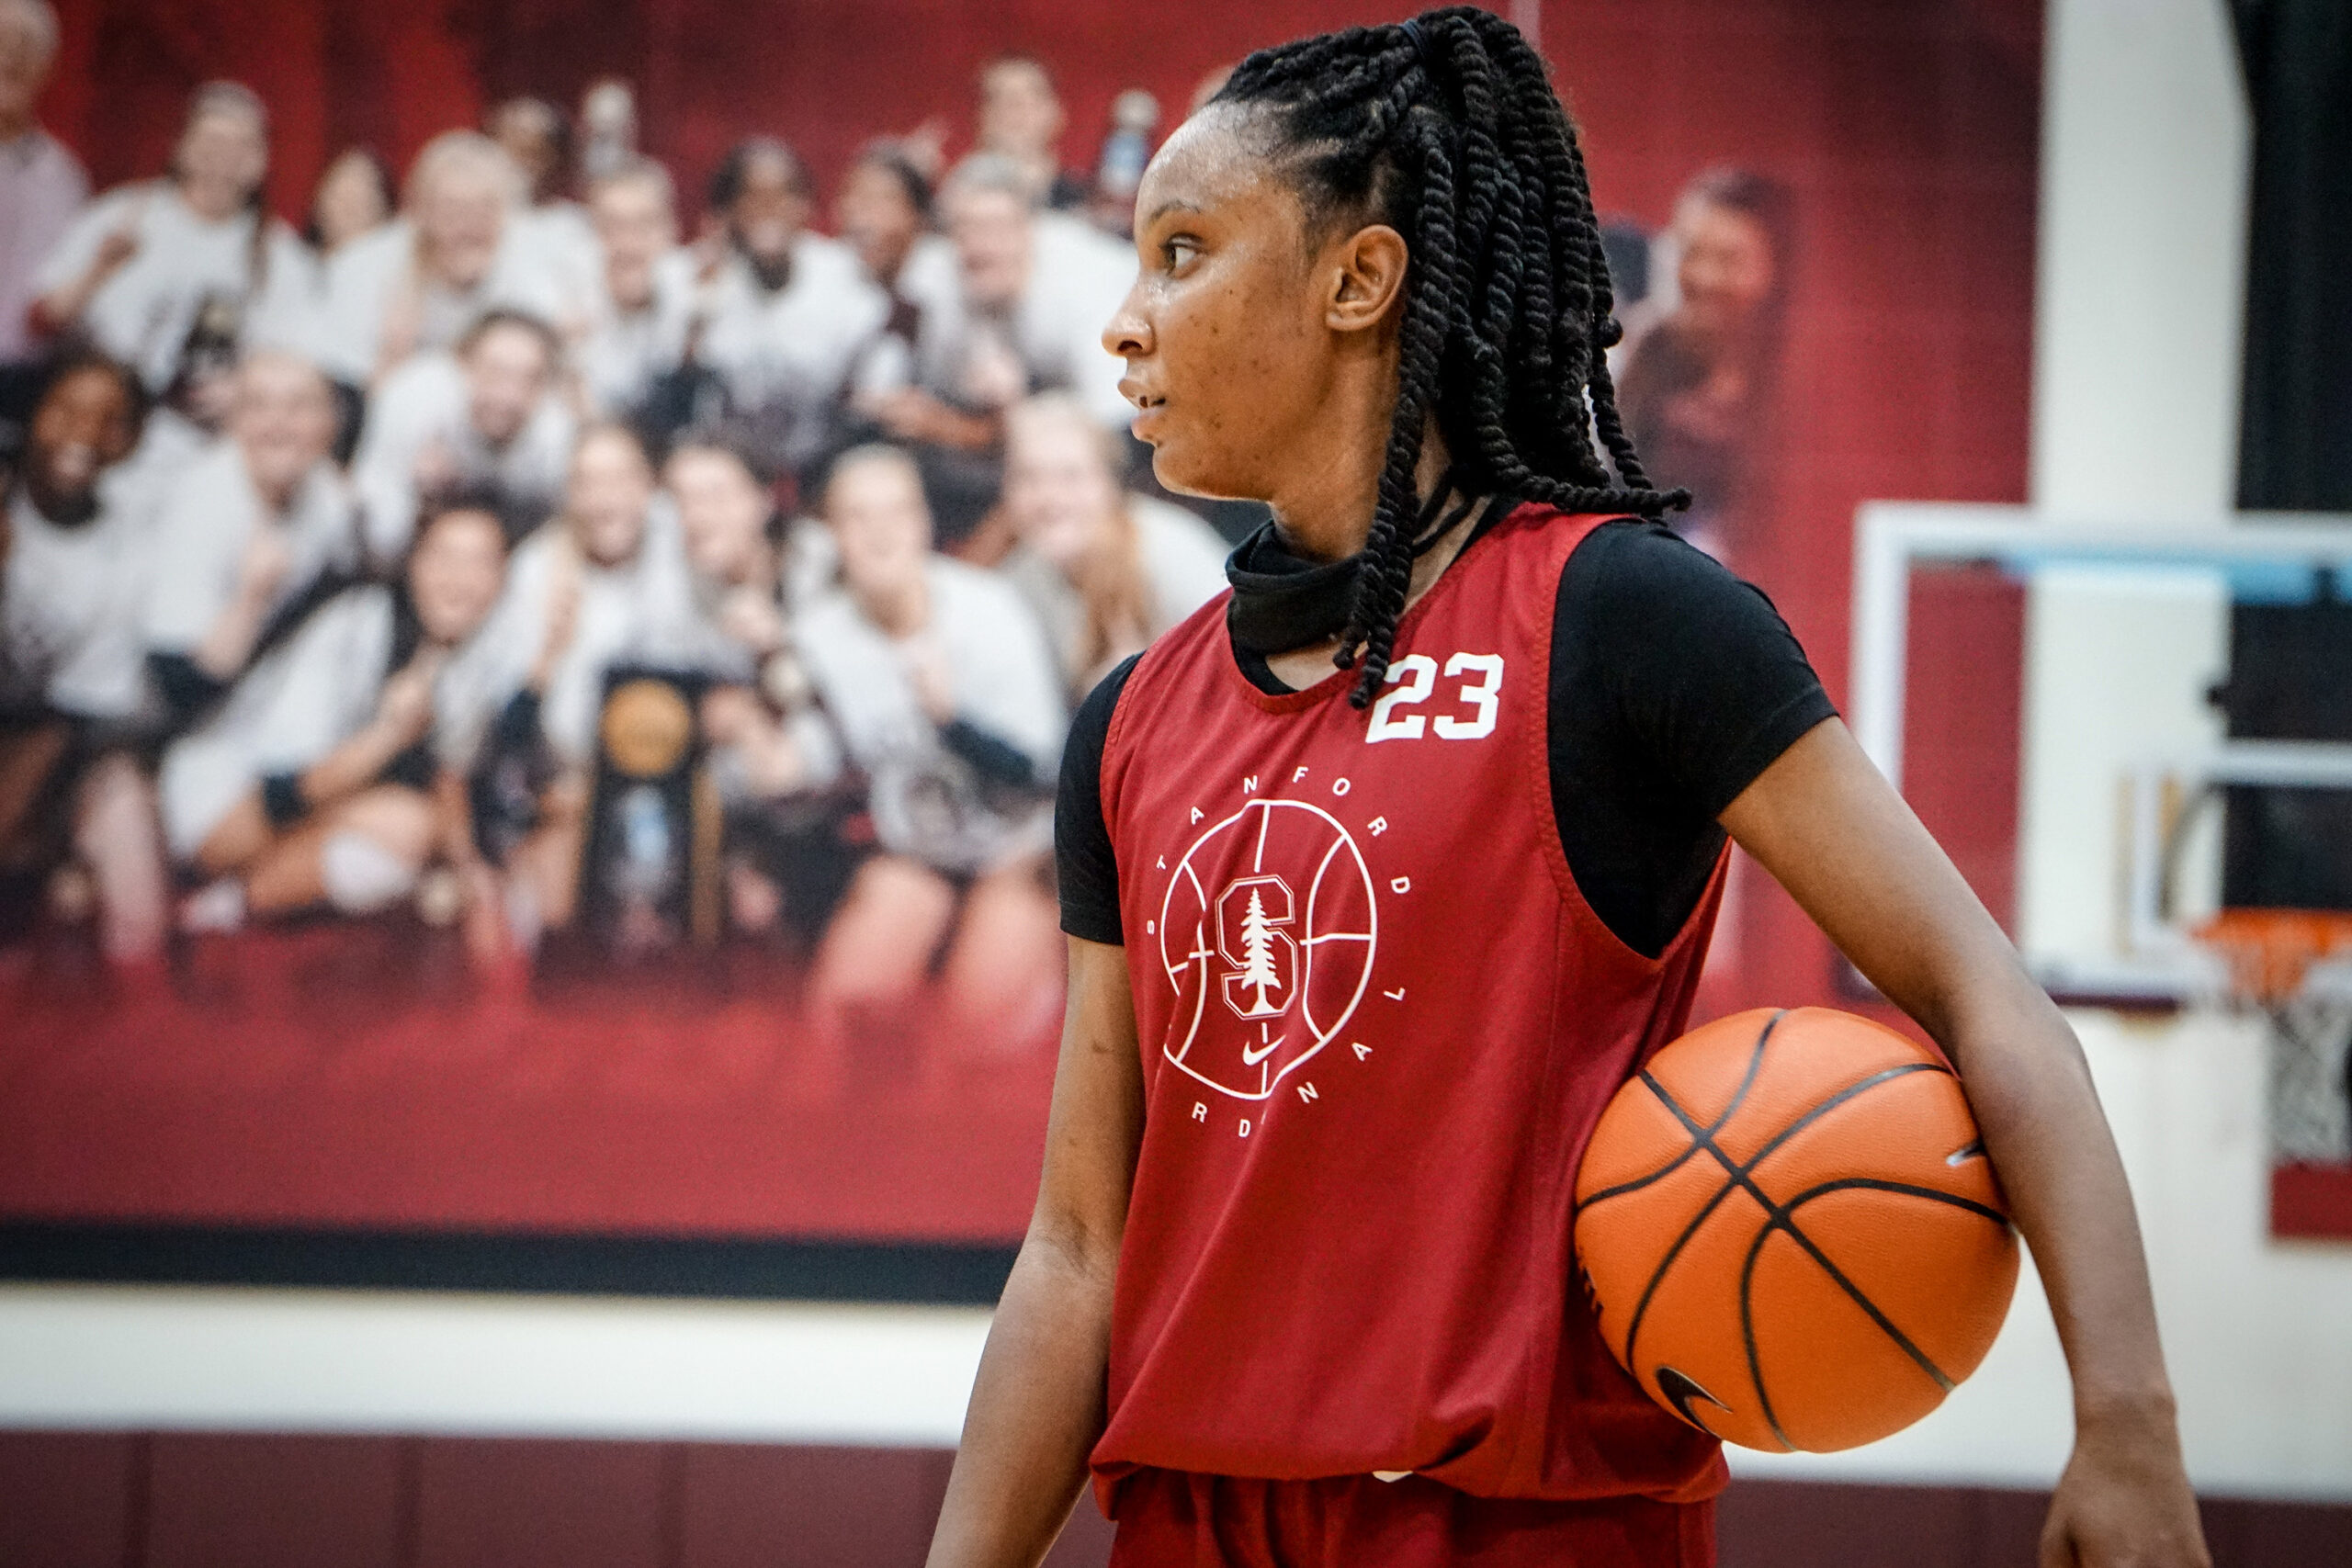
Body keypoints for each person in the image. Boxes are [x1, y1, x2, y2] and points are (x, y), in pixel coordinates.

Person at [925, 12, 2209, 1568]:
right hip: (1194, 1528)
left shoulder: (1625, 624)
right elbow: (1074, 1249)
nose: (1126, 322)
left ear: (1358, 280)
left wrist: (2126, 1420)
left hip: (1532, 1529)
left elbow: (1985, 995)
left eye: (1182, 251)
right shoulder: (1131, 722)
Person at [795, 445, 1064, 1064]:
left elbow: (1042, 774)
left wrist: (952, 721)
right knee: (841, 1019)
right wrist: (769, 762)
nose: (880, 532)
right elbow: (815, 761)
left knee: (981, 1032)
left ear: (923, 524)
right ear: (832, 534)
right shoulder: (817, 636)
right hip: (916, 848)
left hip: (1016, 848)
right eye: (857, 517)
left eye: (896, 512)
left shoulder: (988, 611)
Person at [164, 499, 510, 931]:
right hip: (225, 799)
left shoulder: (468, 659)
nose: (460, 580)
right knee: (408, 827)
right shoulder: (356, 621)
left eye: (480, 563)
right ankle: (226, 905)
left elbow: (448, 776)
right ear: (414, 564)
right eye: (443, 557)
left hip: (312, 805)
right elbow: (288, 785)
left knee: (425, 831)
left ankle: (234, 899)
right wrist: (391, 734)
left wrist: (469, 870)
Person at [470, 423, 702, 937]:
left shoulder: (685, 544)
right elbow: (504, 723)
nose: (604, 500)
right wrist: (548, 653)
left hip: (686, 784)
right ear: (569, 496)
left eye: (619, 479)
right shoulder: (538, 569)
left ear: (649, 486)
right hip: (573, 789)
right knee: (539, 918)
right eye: (587, 483)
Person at [0, 354, 166, 963]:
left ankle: (139, 1005)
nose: (87, 434)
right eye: (67, 410)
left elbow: (83, 714)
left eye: (113, 421)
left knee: (121, 804)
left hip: (45, 745)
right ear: (33, 414)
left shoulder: (124, 547)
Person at [29, 82, 311, 427]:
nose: (223, 157)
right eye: (211, 141)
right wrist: (97, 271)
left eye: (241, 146)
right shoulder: (123, 214)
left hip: (206, 438)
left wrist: (245, 388)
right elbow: (43, 318)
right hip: (100, 424)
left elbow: (298, 362)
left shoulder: (281, 256)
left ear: (262, 160)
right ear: (181, 146)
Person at [142, 351, 357, 728]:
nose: (278, 424)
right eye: (258, 406)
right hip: (153, 718)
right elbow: (176, 687)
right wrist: (251, 597)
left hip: (253, 699)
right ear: (234, 422)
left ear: (330, 424)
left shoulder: (327, 494)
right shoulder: (200, 503)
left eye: (299, 406)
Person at [996, 391, 1227, 698]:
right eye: (1029, 478)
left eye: (1070, 477)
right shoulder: (1018, 584)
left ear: (1109, 485)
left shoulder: (1165, 549)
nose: (1049, 498)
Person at [1614, 168, 1792, 566]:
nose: (1703, 278)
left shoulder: (1798, 380)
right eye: (1690, 253)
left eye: (1728, 260)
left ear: (1777, 270)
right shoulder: (1643, 353)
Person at [684, 137, 885, 480]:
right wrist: (699, 306)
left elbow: (865, 404)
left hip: (821, 465)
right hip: (728, 468)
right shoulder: (701, 276)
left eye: (783, 196)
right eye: (752, 196)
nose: (768, 209)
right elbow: (682, 388)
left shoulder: (844, 277)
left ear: (805, 207)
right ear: (728, 209)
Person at [313, 130, 573, 389]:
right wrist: (391, 358)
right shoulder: (363, 269)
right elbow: (340, 393)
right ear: (420, 214)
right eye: (451, 211)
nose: (467, 227)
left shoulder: (536, 267)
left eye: (483, 210)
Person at [352, 308, 575, 560]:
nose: (509, 396)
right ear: (461, 366)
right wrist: (419, 503)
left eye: (529, 379)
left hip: (509, 547)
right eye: (496, 372)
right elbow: (374, 531)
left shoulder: (555, 432)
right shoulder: (416, 395)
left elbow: (572, 530)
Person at [0, 0, 86, 433]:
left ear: (46, 68)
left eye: (25, 45)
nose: (8, 54)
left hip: (25, 384)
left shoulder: (64, 177)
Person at [573, 157, 692, 425]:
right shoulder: (564, 313)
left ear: (672, 231)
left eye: (644, 226)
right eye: (611, 227)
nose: (628, 244)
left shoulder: (701, 301)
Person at [974, 55, 1086, 212]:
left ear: (1057, 112)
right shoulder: (950, 206)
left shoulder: (1083, 205)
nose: (1015, 108)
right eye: (997, 96)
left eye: (1032, 95)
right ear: (981, 115)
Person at [305, 148, 394, 260]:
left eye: (357, 205)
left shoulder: (400, 268)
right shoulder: (296, 264)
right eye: (339, 199)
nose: (344, 217)